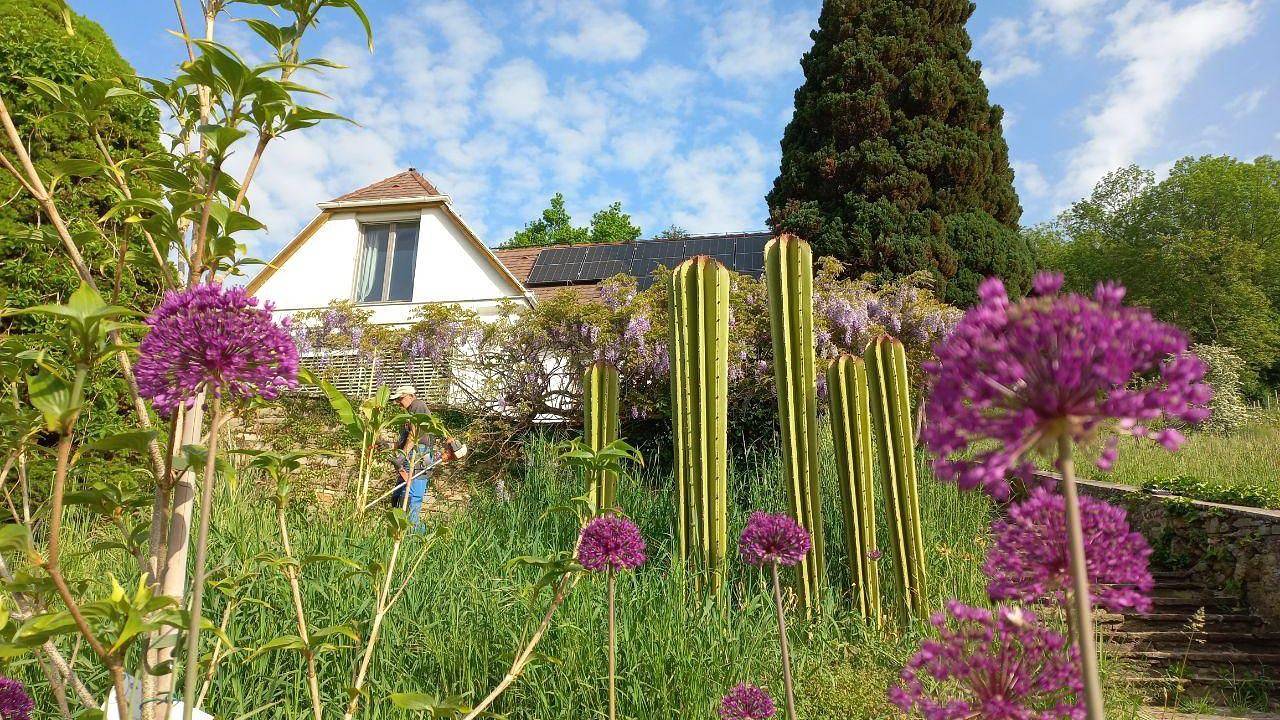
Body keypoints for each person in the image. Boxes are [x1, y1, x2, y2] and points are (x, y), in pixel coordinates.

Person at [390, 384, 437, 529]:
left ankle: (415, 535)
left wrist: (402, 456)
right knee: (398, 497)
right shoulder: (407, 413)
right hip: (409, 454)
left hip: (420, 454)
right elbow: (403, 438)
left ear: (410, 396)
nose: (398, 403)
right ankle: (400, 532)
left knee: (411, 498)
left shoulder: (417, 405)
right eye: (396, 400)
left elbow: (414, 434)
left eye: (400, 399)